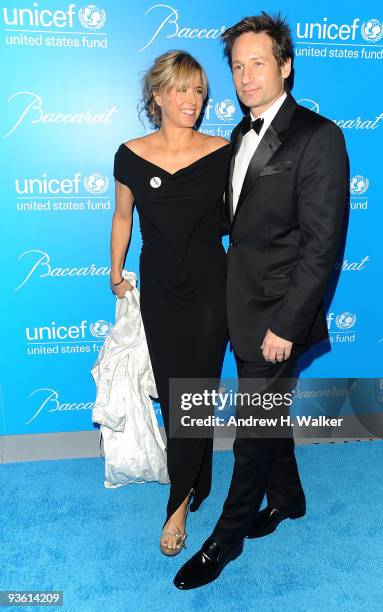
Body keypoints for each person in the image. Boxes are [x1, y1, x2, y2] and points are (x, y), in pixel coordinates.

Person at [174, 12, 348, 589]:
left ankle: (227, 537)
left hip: (279, 315)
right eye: (238, 66)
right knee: (269, 416)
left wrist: (288, 326)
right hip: (236, 301)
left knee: (252, 425)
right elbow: (235, 224)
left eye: (258, 63)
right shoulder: (236, 137)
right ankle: (290, 497)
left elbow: (322, 247)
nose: (246, 76)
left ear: (285, 66)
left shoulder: (318, 136)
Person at [110, 50, 230, 556]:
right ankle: (197, 479)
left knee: (193, 395)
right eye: (181, 89)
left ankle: (176, 506)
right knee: (172, 390)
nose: (193, 100)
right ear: (156, 95)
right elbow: (122, 217)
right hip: (159, 287)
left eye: (200, 91)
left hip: (211, 286)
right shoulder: (129, 154)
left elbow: (246, 220)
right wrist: (113, 270)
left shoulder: (223, 151)